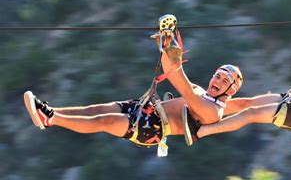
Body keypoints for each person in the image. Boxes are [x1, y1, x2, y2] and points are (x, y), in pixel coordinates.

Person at [24, 14, 244, 155]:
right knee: (97, 109)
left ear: (231, 90)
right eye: (217, 76)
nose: (217, 81)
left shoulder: (214, 112)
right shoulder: (201, 90)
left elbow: (182, 85)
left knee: (105, 120)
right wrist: (165, 43)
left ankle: (50, 118)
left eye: (224, 81)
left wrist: (171, 52)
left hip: (152, 128)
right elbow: (170, 70)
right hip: (145, 107)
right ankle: (49, 111)